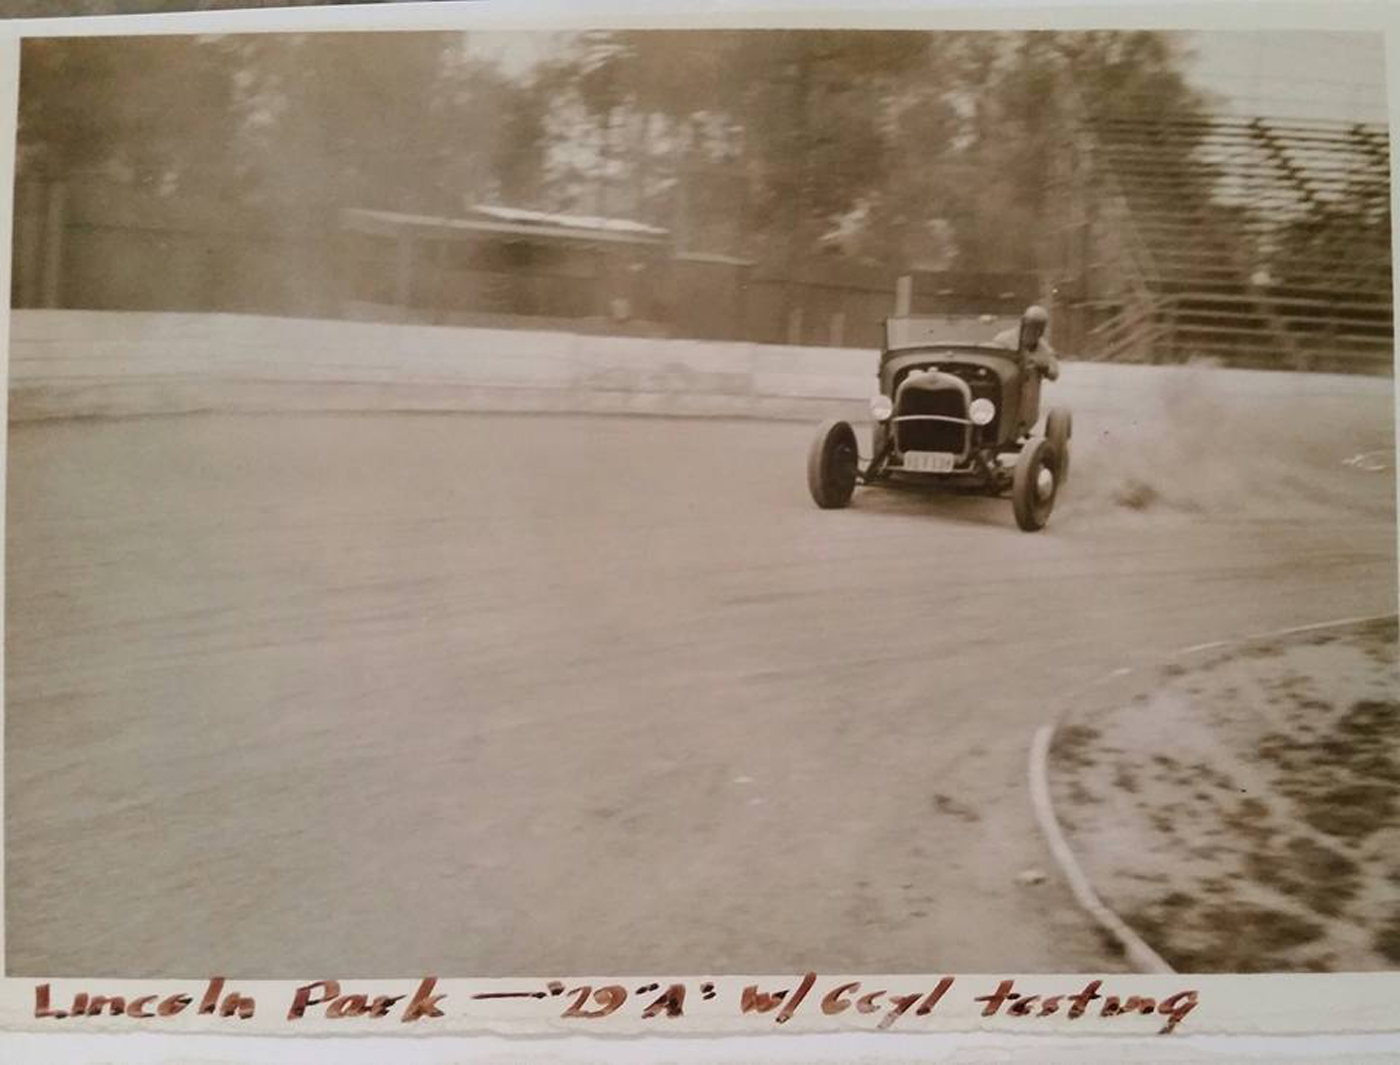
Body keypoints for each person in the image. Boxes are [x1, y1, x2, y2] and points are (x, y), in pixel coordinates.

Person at [994, 305, 1060, 381]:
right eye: (1033, 325)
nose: (1036, 331)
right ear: (1023, 323)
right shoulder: (1004, 339)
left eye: (1040, 327)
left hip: (1028, 389)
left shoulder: (1043, 348)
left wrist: (1042, 367)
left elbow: (1054, 373)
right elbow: (992, 361)